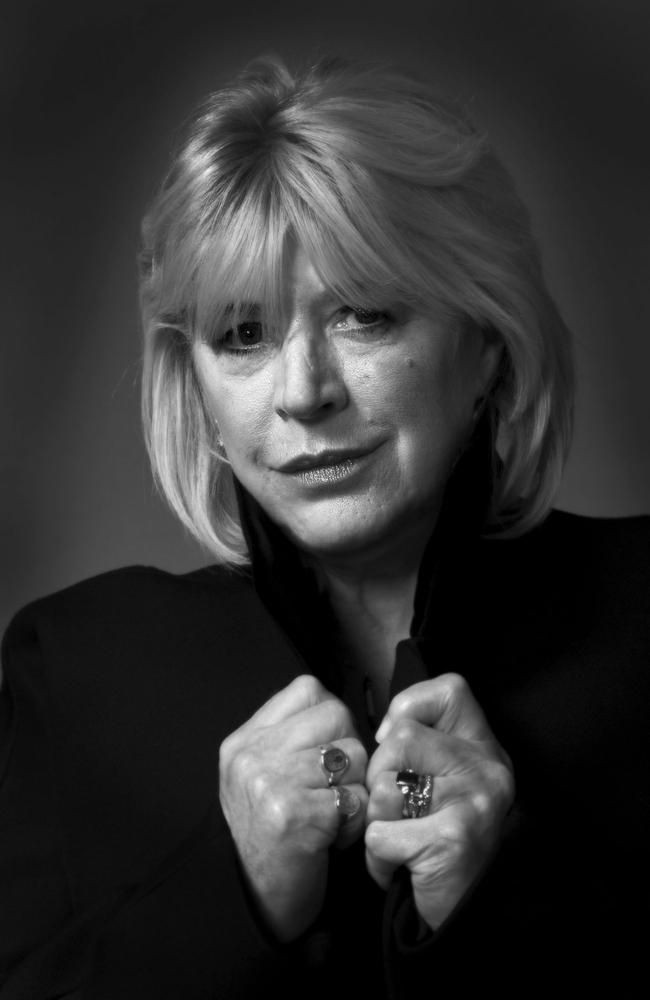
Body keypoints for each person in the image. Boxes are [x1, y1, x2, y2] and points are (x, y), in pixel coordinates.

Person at [0, 54, 648, 1000]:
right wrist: (239, 894)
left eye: (366, 316)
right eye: (243, 336)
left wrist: (503, 891)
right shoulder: (74, 667)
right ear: (200, 392)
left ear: (487, 349)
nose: (304, 393)